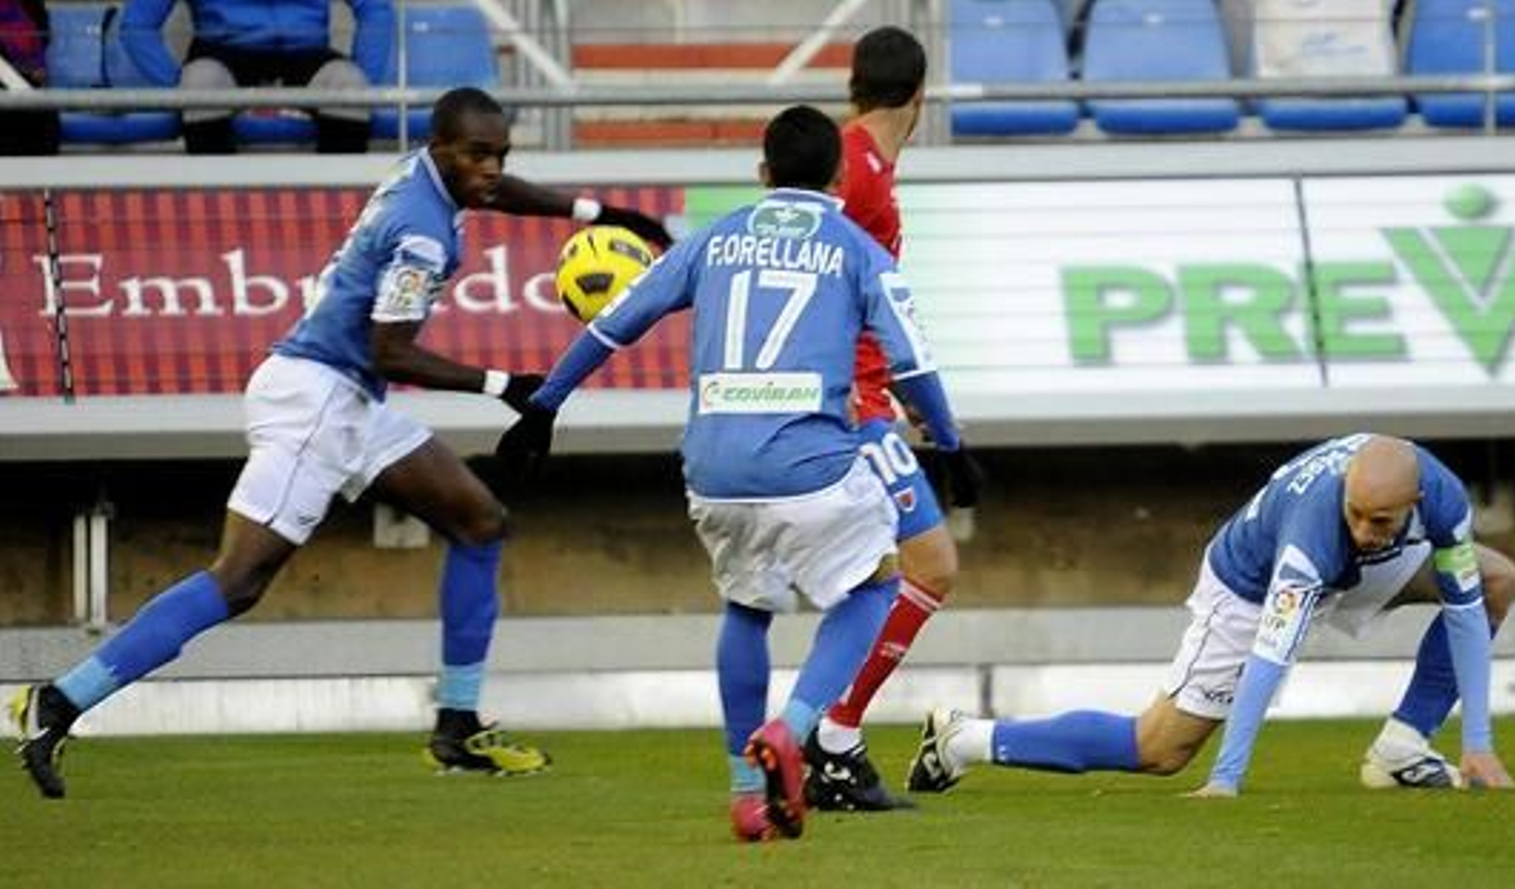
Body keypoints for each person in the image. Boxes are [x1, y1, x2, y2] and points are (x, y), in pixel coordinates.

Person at [8, 87, 673, 800]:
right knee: (238, 579)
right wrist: (506, 383)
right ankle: (59, 701)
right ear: (443, 147)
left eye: (499, 155)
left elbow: (494, 191)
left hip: (347, 396)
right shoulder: (421, 231)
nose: (490, 170)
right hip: (318, 400)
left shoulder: (424, 172)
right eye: (478, 155)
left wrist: (597, 213)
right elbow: (392, 352)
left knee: (479, 521)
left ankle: (456, 724)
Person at [494, 105, 982, 841]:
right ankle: (793, 728)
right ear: (840, 176)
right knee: (877, 585)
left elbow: (617, 320)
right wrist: (949, 441)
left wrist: (545, 405)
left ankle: (746, 794)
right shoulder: (858, 250)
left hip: (714, 470)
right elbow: (911, 361)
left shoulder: (712, 241)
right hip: (810, 464)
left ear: (761, 175)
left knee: (746, 609)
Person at [908, 433, 1515, 797]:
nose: (1363, 527)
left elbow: (1465, 611)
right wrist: (1228, 777)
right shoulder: (1315, 534)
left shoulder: (1441, 497)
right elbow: (1270, 654)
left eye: (1378, 520)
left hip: (1356, 572)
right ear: (1345, 494)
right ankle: (968, 739)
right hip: (1249, 591)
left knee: (1493, 579)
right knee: (1160, 749)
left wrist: (1479, 744)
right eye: (1354, 513)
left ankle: (1403, 748)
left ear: (1414, 503)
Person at [802, 25, 973, 813]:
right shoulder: (855, 169)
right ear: (920, 95)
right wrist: (838, 385)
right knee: (931, 564)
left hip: (872, 398)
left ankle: (822, 738)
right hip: (847, 406)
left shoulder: (869, 166)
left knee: (877, 579)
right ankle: (830, 735)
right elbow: (806, 269)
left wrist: (907, 400)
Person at [120, 0, 393, 154]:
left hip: (305, 49)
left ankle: (342, 213)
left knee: (349, 84)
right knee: (199, 83)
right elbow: (137, 24)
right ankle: (217, 207)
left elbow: (375, 8)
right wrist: (176, 87)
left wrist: (366, 82)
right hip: (224, 50)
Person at [0, 0, 59, 155]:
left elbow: (42, 37)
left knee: (43, 113)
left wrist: (34, 68)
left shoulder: (31, 5)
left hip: (27, 83)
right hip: (12, 81)